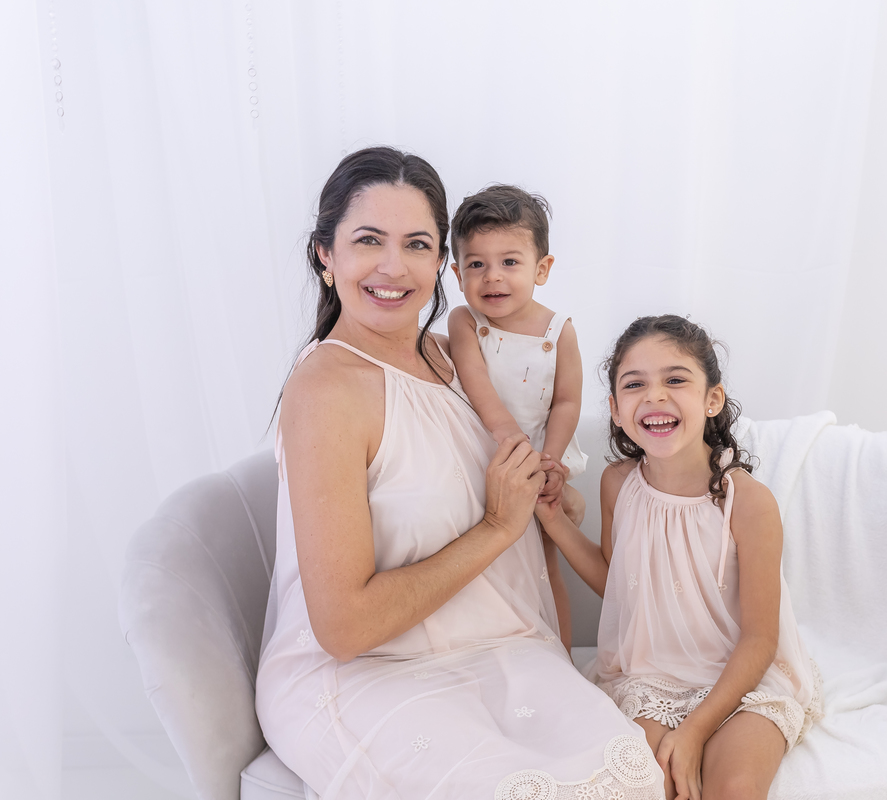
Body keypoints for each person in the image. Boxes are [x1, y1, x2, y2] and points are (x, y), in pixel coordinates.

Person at [256, 147, 662, 800]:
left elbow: (532, 445)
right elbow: (344, 629)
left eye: (416, 244)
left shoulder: (456, 363)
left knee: (630, 778)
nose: (394, 267)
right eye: (368, 241)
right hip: (369, 672)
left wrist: (548, 498)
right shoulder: (326, 389)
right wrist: (500, 524)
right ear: (324, 256)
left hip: (503, 649)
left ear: (440, 261)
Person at [536, 315, 824, 800]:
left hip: (744, 676)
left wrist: (693, 733)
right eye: (635, 384)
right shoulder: (618, 484)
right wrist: (555, 524)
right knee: (646, 782)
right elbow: (618, 585)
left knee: (733, 787)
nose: (655, 396)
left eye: (675, 380)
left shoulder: (746, 501)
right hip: (653, 676)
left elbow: (760, 638)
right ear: (616, 409)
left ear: (713, 399)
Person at [446, 185, 586, 647]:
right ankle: (485, 646)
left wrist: (550, 457)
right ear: (456, 271)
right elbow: (475, 380)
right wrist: (507, 436)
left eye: (510, 262)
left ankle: (561, 654)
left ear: (541, 269)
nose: (493, 278)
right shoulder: (465, 322)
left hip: (536, 460)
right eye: (476, 265)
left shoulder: (558, 330)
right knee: (480, 563)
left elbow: (565, 401)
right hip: (481, 457)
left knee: (546, 566)